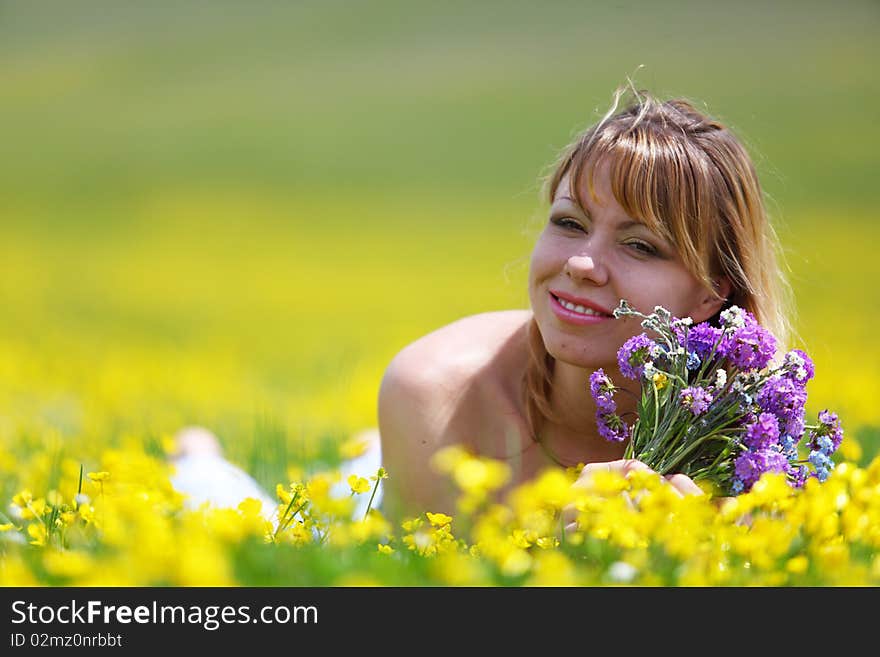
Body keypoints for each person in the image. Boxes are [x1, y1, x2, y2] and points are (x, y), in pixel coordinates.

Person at [377, 87, 793, 524]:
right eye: (569, 223)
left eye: (640, 245)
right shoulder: (437, 391)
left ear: (713, 292)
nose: (582, 264)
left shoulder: (750, 434)